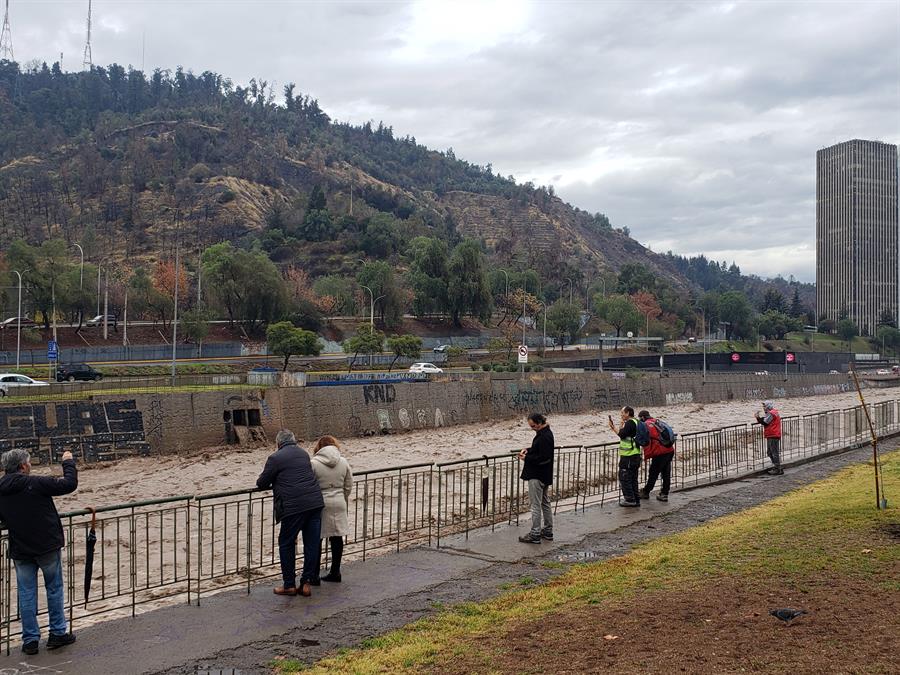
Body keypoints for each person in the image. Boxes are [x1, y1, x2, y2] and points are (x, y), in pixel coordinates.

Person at [0, 449, 78, 655]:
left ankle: (30, 640)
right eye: (28, 463)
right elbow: (69, 484)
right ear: (23, 466)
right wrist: (68, 462)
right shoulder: (35, 482)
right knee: (54, 589)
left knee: (26, 593)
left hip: (20, 548)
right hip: (46, 546)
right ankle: (57, 633)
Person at [257, 429, 325, 597]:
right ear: (294, 441)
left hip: (294, 507)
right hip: (315, 503)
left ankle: (289, 585)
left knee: (286, 543)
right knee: (312, 544)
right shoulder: (303, 454)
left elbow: (262, 483)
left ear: (278, 444)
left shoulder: (275, 458)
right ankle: (306, 583)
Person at [311, 435, 353, 583]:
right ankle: (335, 572)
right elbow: (348, 485)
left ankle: (314, 575)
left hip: (321, 503)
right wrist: (342, 496)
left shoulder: (314, 463)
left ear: (319, 447)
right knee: (337, 537)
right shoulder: (343, 461)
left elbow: (310, 485)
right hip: (339, 501)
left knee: (317, 538)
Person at [517, 412, 554, 543]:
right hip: (545, 475)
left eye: (533, 426)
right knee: (545, 502)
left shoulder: (544, 436)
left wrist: (526, 458)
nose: (532, 428)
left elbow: (543, 458)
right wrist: (528, 450)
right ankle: (548, 530)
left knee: (535, 505)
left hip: (537, 475)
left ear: (539, 423)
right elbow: (541, 452)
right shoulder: (546, 434)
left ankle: (535, 533)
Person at [636, 410, 675, 502]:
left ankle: (646, 492)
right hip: (669, 449)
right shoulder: (656, 421)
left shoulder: (647, 424)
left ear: (642, 417)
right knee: (666, 473)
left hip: (660, 452)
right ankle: (664, 494)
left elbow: (646, 439)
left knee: (653, 472)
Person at [608, 406, 641, 506]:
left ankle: (630, 500)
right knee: (633, 479)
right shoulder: (636, 421)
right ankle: (636, 499)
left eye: (622, 413)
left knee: (625, 477)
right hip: (635, 454)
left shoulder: (630, 423)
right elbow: (624, 433)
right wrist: (621, 426)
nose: (621, 414)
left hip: (629, 456)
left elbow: (622, 435)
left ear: (627, 413)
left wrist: (613, 428)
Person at [755, 401, 784, 475]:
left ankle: (778, 468)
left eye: (764, 406)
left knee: (774, 452)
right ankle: (776, 467)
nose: (764, 408)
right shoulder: (773, 412)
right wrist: (759, 418)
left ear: (768, 406)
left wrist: (757, 417)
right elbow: (766, 419)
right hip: (772, 434)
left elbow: (765, 422)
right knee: (770, 452)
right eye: (763, 406)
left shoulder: (771, 413)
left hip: (773, 435)